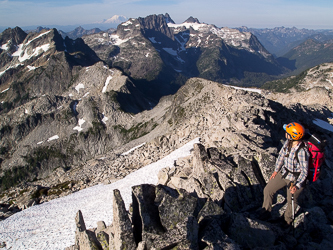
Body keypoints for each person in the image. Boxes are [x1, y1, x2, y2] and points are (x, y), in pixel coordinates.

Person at [259, 122, 309, 225]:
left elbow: (304, 172)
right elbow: (281, 156)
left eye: (287, 132)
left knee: (291, 200)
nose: (285, 133)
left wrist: (297, 185)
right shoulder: (288, 142)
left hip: (294, 179)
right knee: (268, 189)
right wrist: (276, 171)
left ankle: (287, 221)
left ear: (293, 135)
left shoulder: (302, 151)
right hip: (284, 173)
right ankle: (265, 212)